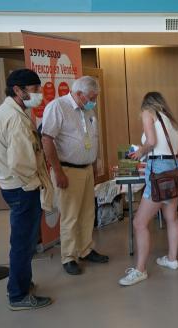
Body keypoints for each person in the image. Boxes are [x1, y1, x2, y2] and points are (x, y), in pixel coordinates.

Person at [0, 69, 53, 310]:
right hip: (23, 188)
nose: (39, 96)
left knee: (22, 241)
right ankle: (17, 295)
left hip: (13, 185)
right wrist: (35, 185)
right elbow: (21, 163)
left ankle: (22, 284)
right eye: (35, 91)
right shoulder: (14, 118)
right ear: (18, 90)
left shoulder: (5, 112)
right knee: (23, 243)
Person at [41, 76, 109, 276]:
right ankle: (69, 257)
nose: (93, 101)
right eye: (91, 97)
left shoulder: (88, 109)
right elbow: (47, 140)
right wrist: (58, 171)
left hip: (87, 169)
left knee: (88, 212)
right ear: (78, 94)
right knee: (70, 216)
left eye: (95, 97)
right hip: (67, 170)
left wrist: (95, 163)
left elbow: (92, 138)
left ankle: (85, 249)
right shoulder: (58, 107)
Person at [119, 92, 178, 286]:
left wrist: (140, 151)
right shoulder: (171, 121)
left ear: (146, 104)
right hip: (175, 169)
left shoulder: (148, 112)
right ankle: (172, 259)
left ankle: (140, 270)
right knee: (171, 217)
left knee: (139, 223)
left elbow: (152, 141)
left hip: (159, 170)